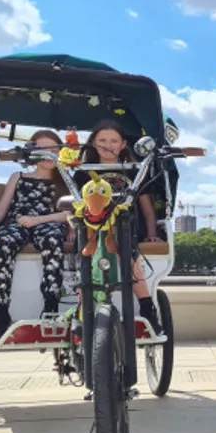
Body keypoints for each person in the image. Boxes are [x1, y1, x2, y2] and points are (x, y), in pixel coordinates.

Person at [0, 130, 70, 341]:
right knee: (3, 241)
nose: (49, 154)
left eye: (53, 149)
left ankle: (51, 308)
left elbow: (71, 212)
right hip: (18, 221)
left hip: (49, 222)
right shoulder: (18, 177)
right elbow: (2, 209)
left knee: (52, 240)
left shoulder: (65, 180)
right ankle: (0, 313)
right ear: (32, 153)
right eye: (43, 150)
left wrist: (38, 220)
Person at [74, 119, 163, 334]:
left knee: (128, 250)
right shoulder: (83, 173)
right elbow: (76, 208)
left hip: (125, 226)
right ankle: (82, 307)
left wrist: (152, 233)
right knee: (85, 254)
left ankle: (147, 306)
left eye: (114, 141)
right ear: (93, 143)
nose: (108, 145)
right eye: (102, 140)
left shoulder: (134, 171)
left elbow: (147, 209)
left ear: (123, 144)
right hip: (92, 227)